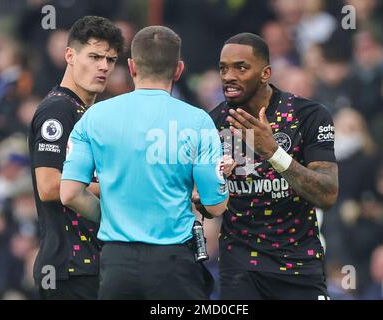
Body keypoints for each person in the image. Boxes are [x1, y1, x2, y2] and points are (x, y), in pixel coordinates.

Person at [60, 26, 229, 300]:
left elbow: (69, 193)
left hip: (116, 262)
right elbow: (215, 204)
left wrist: (111, 217)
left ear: (131, 66)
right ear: (178, 70)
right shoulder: (198, 121)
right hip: (174, 263)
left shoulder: (94, 117)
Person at [209, 33, 339, 299]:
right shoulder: (213, 123)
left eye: (240, 67)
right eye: (223, 68)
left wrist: (272, 152)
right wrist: (207, 189)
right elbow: (206, 204)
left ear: (265, 73)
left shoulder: (309, 116)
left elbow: (327, 194)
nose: (228, 76)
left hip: (299, 265)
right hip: (240, 267)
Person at [28, 16, 123, 300]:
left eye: (111, 59)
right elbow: (48, 186)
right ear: (69, 55)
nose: (104, 66)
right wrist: (119, 187)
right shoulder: (57, 110)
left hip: (93, 266)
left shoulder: (88, 112)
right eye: (94, 56)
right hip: (67, 268)